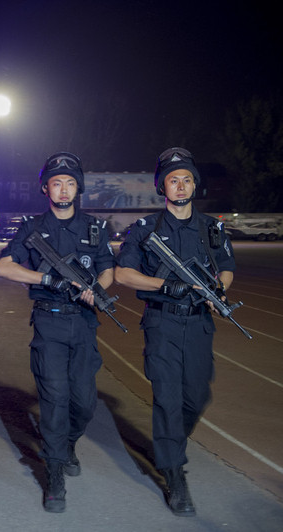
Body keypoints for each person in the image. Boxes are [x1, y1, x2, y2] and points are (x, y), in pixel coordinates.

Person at [115, 147, 236, 516]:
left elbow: (227, 266)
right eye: (173, 179)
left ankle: (169, 445)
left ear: (194, 185)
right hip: (162, 321)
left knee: (197, 396)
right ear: (161, 186)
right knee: (168, 398)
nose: (180, 186)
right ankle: (174, 474)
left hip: (199, 322)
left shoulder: (212, 228)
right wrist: (163, 285)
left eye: (186, 179)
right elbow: (123, 274)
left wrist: (219, 289)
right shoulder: (145, 229)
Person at [0, 152, 115, 513]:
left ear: (78, 189)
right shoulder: (31, 228)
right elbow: (4, 267)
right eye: (56, 183)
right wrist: (45, 278)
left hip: (83, 322)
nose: (63, 190)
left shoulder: (95, 228)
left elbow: (108, 269)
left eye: (70, 183)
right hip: (48, 321)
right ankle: (55, 476)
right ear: (46, 188)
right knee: (54, 399)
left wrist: (97, 287)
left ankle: (67, 444)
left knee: (84, 402)